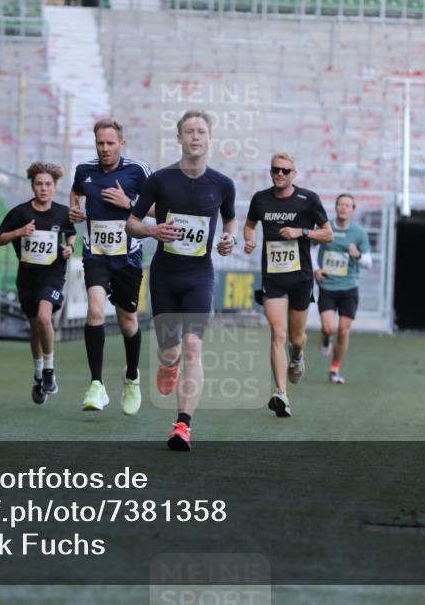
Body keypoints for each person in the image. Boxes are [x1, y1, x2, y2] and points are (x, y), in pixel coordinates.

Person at [126, 110, 237, 451]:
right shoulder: (160, 180)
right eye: (188, 131)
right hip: (165, 274)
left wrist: (228, 239)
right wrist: (151, 229)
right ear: (179, 138)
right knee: (170, 348)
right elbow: (131, 222)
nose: (195, 137)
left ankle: (182, 426)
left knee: (193, 346)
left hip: (199, 275)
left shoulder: (222, 184)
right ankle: (166, 362)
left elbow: (231, 221)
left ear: (209, 137)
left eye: (201, 131)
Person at [69, 119, 151, 415]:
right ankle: (96, 384)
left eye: (110, 143)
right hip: (95, 253)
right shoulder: (84, 170)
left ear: (121, 143)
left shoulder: (137, 171)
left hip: (127, 257)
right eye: (100, 143)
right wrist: (75, 211)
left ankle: (132, 377)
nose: (105, 149)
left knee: (128, 321)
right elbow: (76, 194)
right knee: (94, 310)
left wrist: (128, 202)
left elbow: (159, 208)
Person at [244, 153, 332, 418]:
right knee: (277, 333)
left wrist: (302, 232)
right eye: (275, 170)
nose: (279, 174)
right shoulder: (260, 199)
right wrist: (249, 240)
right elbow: (249, 226)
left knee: (296, 337)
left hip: (301, 278)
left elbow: (328, 233)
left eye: (285, 170)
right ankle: (281, 394)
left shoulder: (308, 199)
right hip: (273, 277)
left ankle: (297, 356)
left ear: (294, 173)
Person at [0, 162, 76, 404]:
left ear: (55, 187)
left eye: (48, 184)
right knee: (34, 327)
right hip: (28, 277)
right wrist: (18, 233)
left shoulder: (62, 212)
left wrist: (69, 246)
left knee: (43, 318)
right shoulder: (20, 213)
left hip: (52, 274)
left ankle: (49, 370)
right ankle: (38, 375)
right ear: (32, 186)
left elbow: (71, 232)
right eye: (39, 184)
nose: (43, 188)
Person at [315, 194, 372, 385]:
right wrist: (316, 269)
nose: (343, 208)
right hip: (328, 285)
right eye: (340, 204)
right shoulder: (325, 228)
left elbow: (369, 263)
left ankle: (334, 369)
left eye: (348, 205)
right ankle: (325, 337)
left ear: (353, 209)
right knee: (329, 327)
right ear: (336, 207)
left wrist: (358, 255)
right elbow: (310, 248)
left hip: (349, 287)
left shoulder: (359, 233)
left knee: (344, 331)